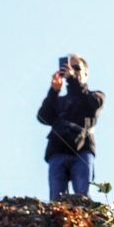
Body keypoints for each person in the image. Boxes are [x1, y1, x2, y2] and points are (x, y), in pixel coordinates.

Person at [36, 53, 106, 201]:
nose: (72, 71)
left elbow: (91, 107)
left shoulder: (95, 96)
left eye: (76, 68)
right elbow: (43, 117)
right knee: (56, 198)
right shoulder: (60, 101)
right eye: (68, 67)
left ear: (86, 73)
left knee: (83, 196)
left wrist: (73, 80)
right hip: (58, 150)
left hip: (82, 150)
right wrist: (54, 91)